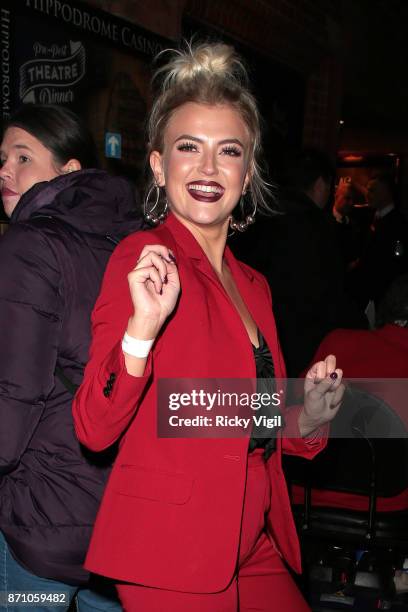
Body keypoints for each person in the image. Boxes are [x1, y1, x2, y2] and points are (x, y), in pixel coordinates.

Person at [73, 42, 345, 611]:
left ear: (247, 173)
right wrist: (141, 330)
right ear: (157, 163)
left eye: (228, 151)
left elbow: (246, 416)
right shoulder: (142, 258)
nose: (206, 168)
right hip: (171, 548)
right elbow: (94, 428)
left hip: (254, 538)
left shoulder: (254, 285)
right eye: (187, 147)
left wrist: (310, 416)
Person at [0, 104, 143, 610]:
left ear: (69, 172)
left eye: (23, 157)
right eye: (2, 158)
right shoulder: (133, 240)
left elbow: (14, 394)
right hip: (119, 517)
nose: (4, 171)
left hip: (42, 515)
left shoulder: (30, 240)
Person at [235, 149, 366, 376]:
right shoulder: (318, 228)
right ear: (320, 184)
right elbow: (332, 292)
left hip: (262, 338)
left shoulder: (259, 218)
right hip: (306, 343)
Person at [349, 173, 408, 308]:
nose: (368, 194)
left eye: (372, 190)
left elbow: (397, 261)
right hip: (366, 293)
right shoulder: (372, 216)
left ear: (386, 193)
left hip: (383, 296)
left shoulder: (398, 224)